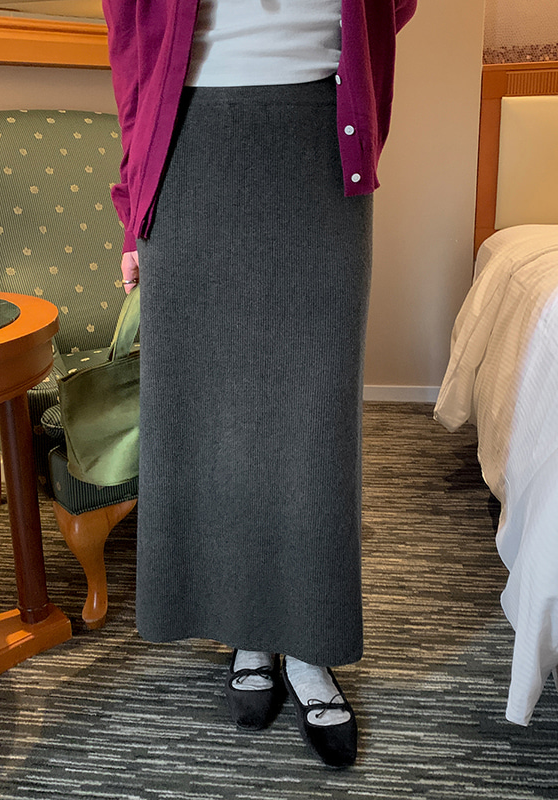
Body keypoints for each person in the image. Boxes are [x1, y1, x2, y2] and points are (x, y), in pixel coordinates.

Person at [102, 0, 417, 769]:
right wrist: (133, 208)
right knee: (215, 421)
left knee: (314, 416)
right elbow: (132, 53)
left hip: (318, 140)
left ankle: (308, 645)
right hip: (190, 147)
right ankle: (248, 632)